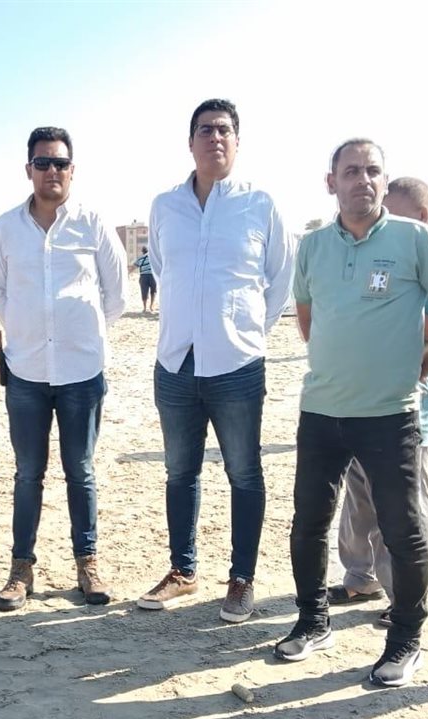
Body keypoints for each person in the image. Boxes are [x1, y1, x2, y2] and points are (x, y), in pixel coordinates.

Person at [281, 139, 428, 687]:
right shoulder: (313, 246)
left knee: (403, 531)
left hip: (390, 415)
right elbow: (308, 320)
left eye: (372, 171)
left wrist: (419, 368)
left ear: (384, 182)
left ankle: (405, 640)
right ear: (331, 182)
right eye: (351, 171)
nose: (361, 180)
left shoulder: (415, 239)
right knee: (309, 525)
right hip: (321, 411)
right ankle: (312, 622)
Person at [137, 98, 294, 623]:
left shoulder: (260, 205)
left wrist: (244, 333)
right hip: (176, 363)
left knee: (244, 472)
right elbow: (163, 268)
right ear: (190, 142)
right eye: (205, 130)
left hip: (237, 366)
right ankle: (182, 570)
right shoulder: (165, 206)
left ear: (238, 142)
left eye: (224, 130)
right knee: (179, 472)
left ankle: (242, 578)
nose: (215, 138)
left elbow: (280, 280)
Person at [0, 127, 128, 611]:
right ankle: (20, 569)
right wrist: (27, 331)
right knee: (28, 473)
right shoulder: (6, 228)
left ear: (72, 170)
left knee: (80, 471)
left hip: (81, 372)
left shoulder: (93, 224)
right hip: (25, 370)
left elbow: (116, 294)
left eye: (60, 163)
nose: (52, 171)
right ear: (28, 169)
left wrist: (79, 334)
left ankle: (87, 564)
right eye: (43, 163)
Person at [327, 176, 428, 631]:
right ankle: (361, 577)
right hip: (359, 394)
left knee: (401, 502)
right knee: (359, 491)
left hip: (409, 399)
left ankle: (406, 594)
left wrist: (387, 310)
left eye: (394, 216)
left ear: (423, 218)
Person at [134, 245, 157, 313]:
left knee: (144, 292)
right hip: (153, 276)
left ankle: (144, 308)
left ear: (142, 251)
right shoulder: (153, 258)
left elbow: (134, 266)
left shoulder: (140, 258)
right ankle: (151, 306)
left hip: (143, 276)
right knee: (153, 291)